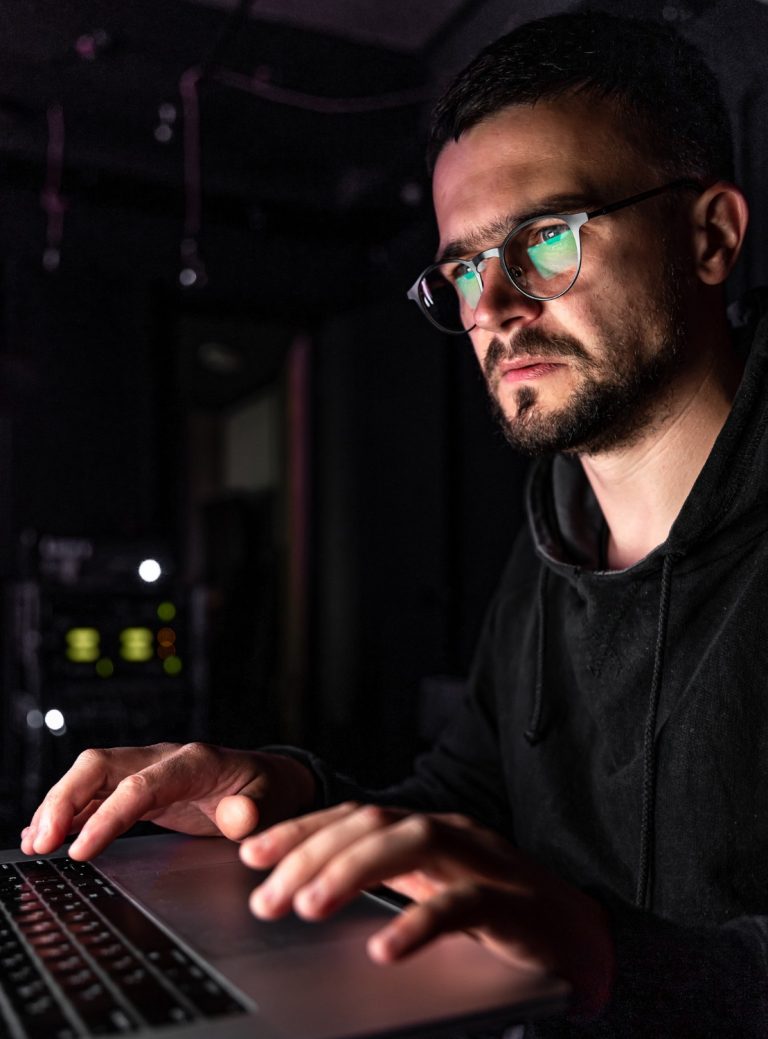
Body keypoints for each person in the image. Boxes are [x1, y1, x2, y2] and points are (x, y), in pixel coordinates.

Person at [19, 11, 768, 1036]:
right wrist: (280, 789)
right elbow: (467, 795)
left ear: (710, 235)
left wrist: (608, 956)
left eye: (547, 238)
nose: (492, 305)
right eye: (464, 267)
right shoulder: (552, 535)